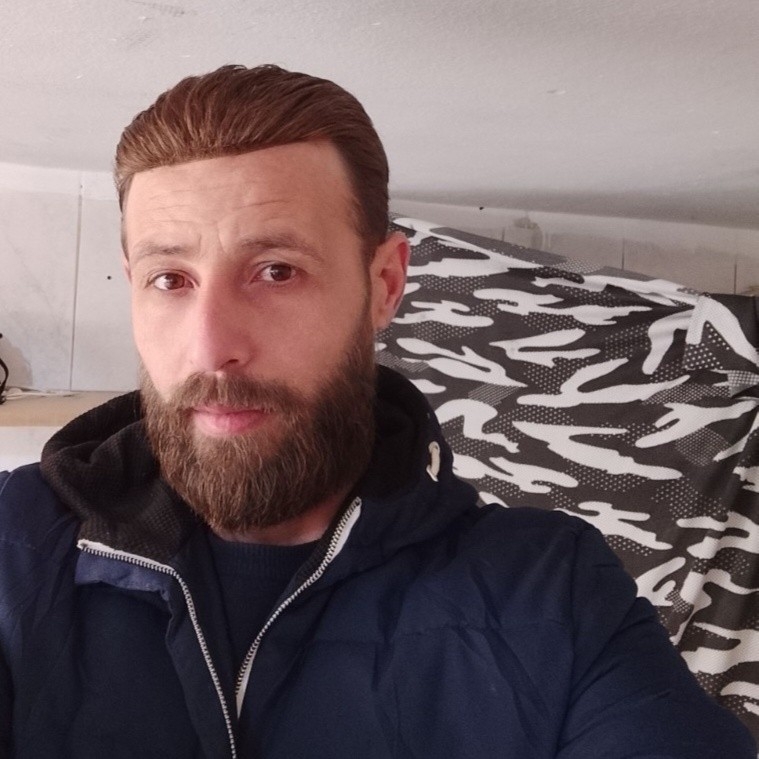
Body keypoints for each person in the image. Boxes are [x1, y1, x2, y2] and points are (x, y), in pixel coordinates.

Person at [0, 65, 754, 759]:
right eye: (169, 279)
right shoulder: (14, 542)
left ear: (385, 284)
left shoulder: (551, 589)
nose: (212, 348)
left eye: (276, 270)